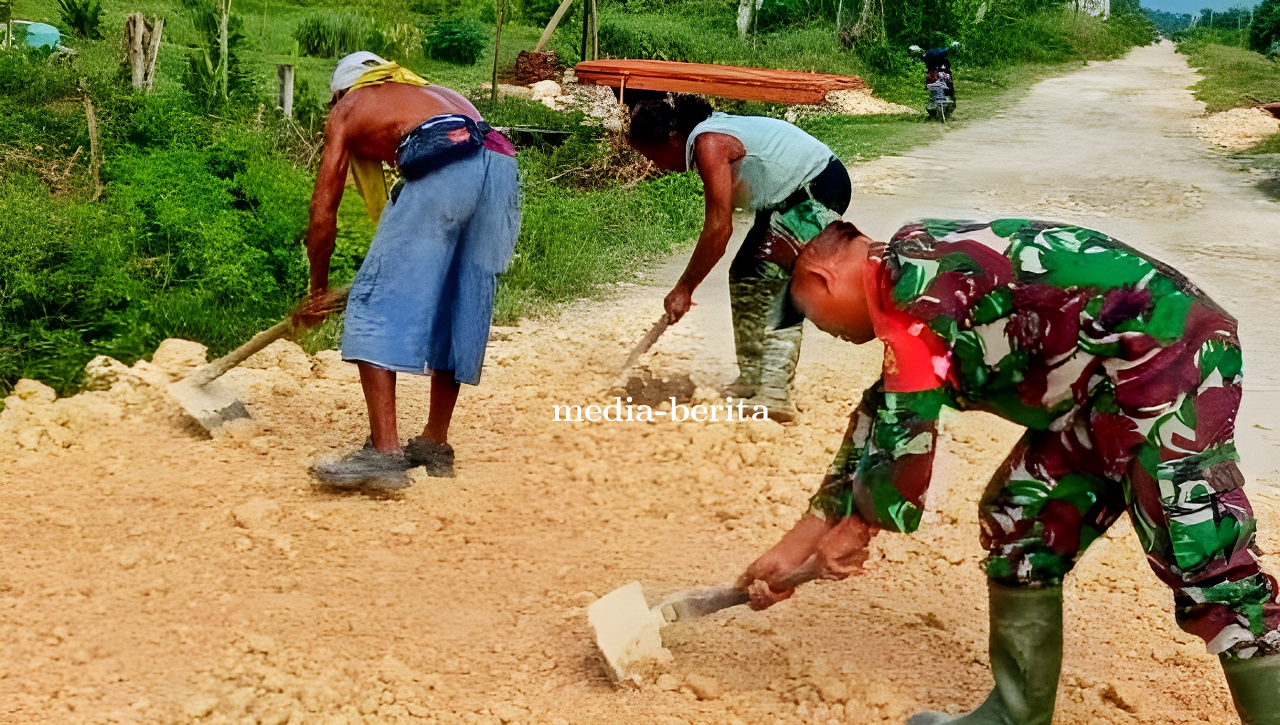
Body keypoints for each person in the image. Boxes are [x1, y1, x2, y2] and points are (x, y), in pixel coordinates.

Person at [737, 218, 1279, 724]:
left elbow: (907, 438)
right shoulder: (905, 273)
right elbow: (881, 414)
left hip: (1168, 358)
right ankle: (1014, 714)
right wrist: (796, 545)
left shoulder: (912, 292)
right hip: (1101, 390)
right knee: (1023, 514)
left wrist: (857, 527)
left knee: (1207, 558)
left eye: (808, 314)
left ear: (819, 276)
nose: (825, 332)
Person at [300, 52, 520, 488]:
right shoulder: (430, 95)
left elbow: (324, 211)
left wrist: (317, 290)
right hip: (501, 166)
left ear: (343, 92)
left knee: (373, 301)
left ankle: (384, 457)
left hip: (445, 163)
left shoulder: (349, 107)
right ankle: (433, 443)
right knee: (458, 305)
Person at [626, 94, 851, 421]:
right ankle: (752, 379)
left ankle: (774, 391)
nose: (657, 165)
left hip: (817, 186)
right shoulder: (707, 134)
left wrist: (684, 289)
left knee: (770, 275)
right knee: (745, 272)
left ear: (673, 138)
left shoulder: (709, 142)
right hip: (787, 195)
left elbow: (719, 229)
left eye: (652, 154)